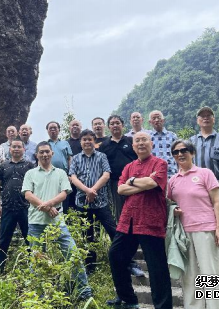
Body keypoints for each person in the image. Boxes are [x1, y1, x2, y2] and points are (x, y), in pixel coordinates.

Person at [108, 131, 172, 309]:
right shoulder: (128, 166)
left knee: (156, 267)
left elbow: (154, 184)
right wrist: (143, 183)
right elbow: (120, 189)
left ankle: (163, 306)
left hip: (150, 220)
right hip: (128, 220)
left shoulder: (160, 163)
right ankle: (128, 299)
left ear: (151, 144)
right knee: (116, 255)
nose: (141, 143)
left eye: (144, 140)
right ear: (133, 146)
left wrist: (132, 181)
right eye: (137, 141)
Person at [21, 141, 93, 301]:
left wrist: (48, 204)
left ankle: (84, 292)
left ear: (52, 153)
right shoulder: (30, 173)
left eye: (47, 151)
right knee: (37, 260)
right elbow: (28, 194)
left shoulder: (60, 173)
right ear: (37, 155)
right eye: (41, 152)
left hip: (57, 223)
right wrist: (47, 208)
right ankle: (38, 296)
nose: (45, 154)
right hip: (36, 223)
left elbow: (64, 193)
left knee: (73, 255)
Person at [168, 139, 219, 309]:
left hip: (206, 228)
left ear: (192, 153)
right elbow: (170, 203)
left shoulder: (205, 173)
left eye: (184, 150)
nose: (180, 154)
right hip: (183, 233)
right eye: (176, 152)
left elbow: (216, 202)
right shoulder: (173, 180)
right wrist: (174, 210)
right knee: (189, 275)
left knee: (211, 272)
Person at [190, 106, 219, 277]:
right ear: (197, 120)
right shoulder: (191, 142)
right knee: (200, 223)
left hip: (218, 183)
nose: (205, 118)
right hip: (197, 185)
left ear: (213, 119)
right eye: (202, 116)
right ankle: (203, 262)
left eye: (209, 115)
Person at [99, 115, 143, 278]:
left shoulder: (131, 141)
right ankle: (128, 257)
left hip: (135, 183)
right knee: (122, 218)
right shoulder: (104, 145)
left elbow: (139, 160)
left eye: (117, 123)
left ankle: (142, 246)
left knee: (139, 214)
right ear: (108, 127)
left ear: (123, 125)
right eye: (112, 123)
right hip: (116, 184)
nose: (115, 125)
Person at [69, 129, 116, 273]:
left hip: (101, 201)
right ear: (81, 142)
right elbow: (73, 177)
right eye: (84, 140)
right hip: (82, 202)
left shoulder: (101, 156)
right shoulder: (76, 158)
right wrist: (86, 191)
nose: (87, 142)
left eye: (90, 139)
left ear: (94, 141)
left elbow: (106, 174)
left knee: (113, 230)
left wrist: (93, 190)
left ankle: (123, 259)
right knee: (87, 234)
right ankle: (90, 265)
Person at [0, 137, 34, 276]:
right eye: (14, 147)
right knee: (3, 240)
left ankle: (35, 272)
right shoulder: (3, 165)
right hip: (8, 208)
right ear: (9, 149)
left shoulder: (30, 166)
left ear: (24, 149)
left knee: (31, 241)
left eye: (19, 147)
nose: (16, 149)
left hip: (26, 208)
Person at [46, 121, 73, 213]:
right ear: (47, 131)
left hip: (64, 175)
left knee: (64, 196)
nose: (53, 130)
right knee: (51, 195)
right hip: (49, 175)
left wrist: (70, 174)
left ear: (59, 130)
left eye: (55, 128)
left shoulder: (65, 143)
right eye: (50, 128)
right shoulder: (45, 144)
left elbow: (69, 159)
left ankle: (64, 220)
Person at [149, 110, 178, 178]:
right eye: (154, 118)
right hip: (153, 174)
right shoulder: (147, 137)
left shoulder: (172, 135)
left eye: (158, 118)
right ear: (150, 122)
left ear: (163, 120)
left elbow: (178, 154)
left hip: (171, 173)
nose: (156, 120)